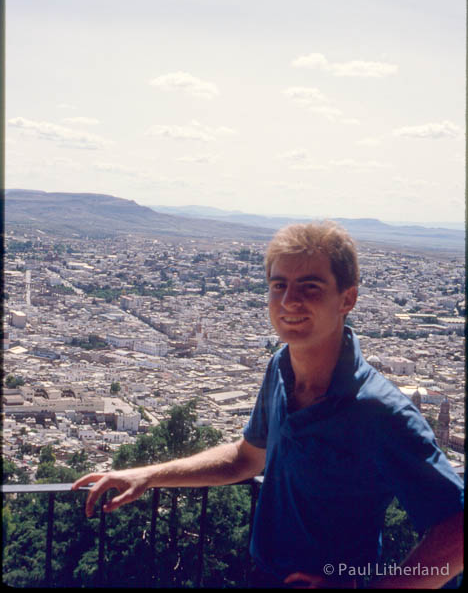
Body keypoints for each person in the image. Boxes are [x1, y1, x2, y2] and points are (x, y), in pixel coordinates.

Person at [72, 221, 464, 588]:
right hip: (263, 573)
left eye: (309, 287)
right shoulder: (280, 367)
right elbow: (246, 458)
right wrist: (149, 475)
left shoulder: (379, 410)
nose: (289, 301)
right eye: (279, 286)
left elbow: (458, 527)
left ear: (348, 298)